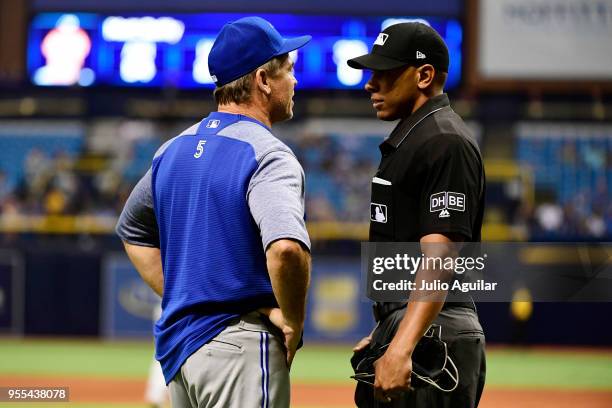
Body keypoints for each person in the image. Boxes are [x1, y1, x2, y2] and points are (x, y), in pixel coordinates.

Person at [116, 16, 312, 408]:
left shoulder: (171, 151)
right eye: (288, 69)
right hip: (239, 347)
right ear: (262, 79)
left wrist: (187, 294)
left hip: (180, 354)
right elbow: (286, 250)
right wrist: (292, 320)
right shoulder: (268, 154)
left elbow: (131, 232)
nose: (295, 81)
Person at [347, 22, 486, 407]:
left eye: (385, 73)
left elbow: (438, 259)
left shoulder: (444, 140)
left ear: (424, 75)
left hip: (437, 336)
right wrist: (385, 333)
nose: (370, 84)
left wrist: (402, 345)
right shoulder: (416, 137)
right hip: (419, 328)